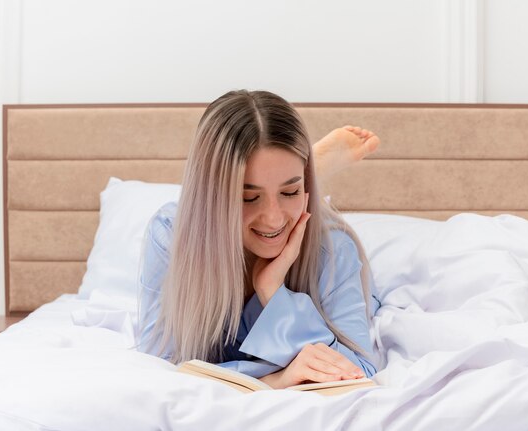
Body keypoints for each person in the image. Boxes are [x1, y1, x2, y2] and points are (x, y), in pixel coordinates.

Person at [137, 90, 381, 389]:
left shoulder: (332, 249)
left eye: (291, 191)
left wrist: (274, 291)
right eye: (248, 197)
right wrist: (274, 379)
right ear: (213, 198)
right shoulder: (171, 235)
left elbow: (359, 370)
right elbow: (158, 365)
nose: (274, 219)